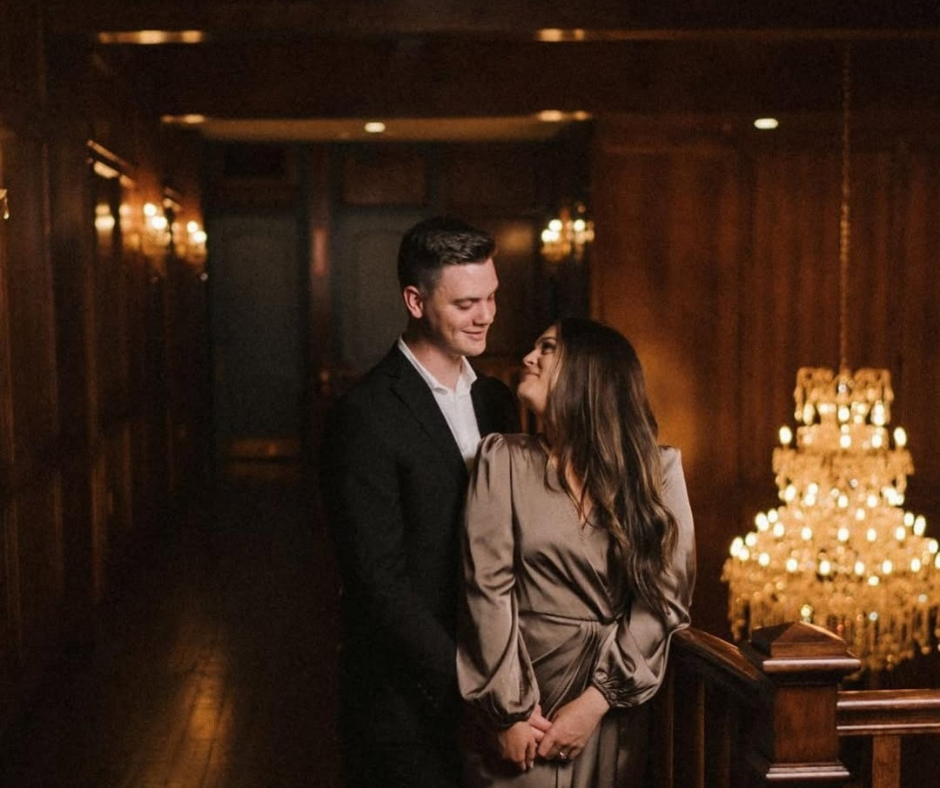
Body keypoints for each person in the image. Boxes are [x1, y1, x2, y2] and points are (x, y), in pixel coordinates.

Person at [320, 215, 524, 788]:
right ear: (415, 300)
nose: (485, 315)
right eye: (465, 303)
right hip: (401, 703)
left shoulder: (496, 400)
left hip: (498, 680)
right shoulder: (364, 416)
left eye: (491, 297)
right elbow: (377, 585)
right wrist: (477, 694)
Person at [457, 317, 696, 788]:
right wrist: (508, 712)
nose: (528, 358)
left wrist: (596, 702)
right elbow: (486, 591)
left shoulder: (659, 471)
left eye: (546, 347)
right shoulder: (502, 459)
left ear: (590, 370)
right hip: (525, 707)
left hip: (612, 707)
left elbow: (665, 598)